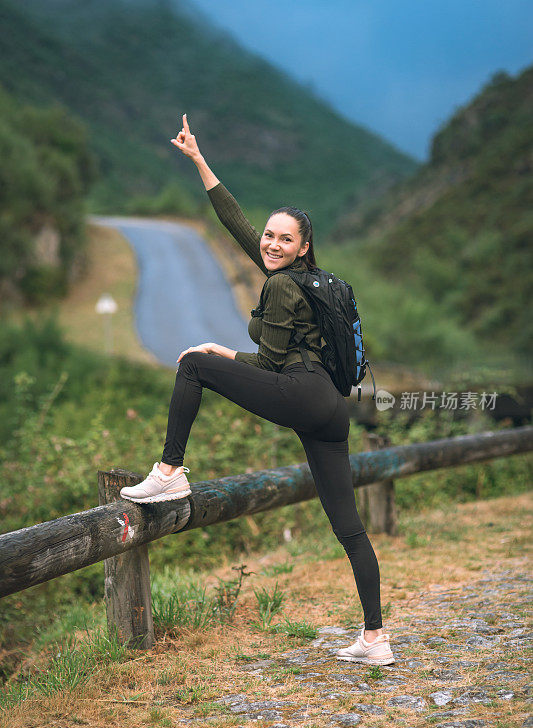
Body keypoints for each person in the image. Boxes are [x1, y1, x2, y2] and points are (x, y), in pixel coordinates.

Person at [120, 114, 395, 666]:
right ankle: (376, 639)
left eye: (282, 239)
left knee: (195, 364)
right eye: (269, 236)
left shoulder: (283, 289)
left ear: (302, 246)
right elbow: (236, 222)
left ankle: (169, 474)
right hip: (330, 411)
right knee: (350, 528)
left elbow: (269, 363)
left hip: (298, 392)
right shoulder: (310, 281)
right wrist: (199, 160)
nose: (270, 243)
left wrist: (225, 354)